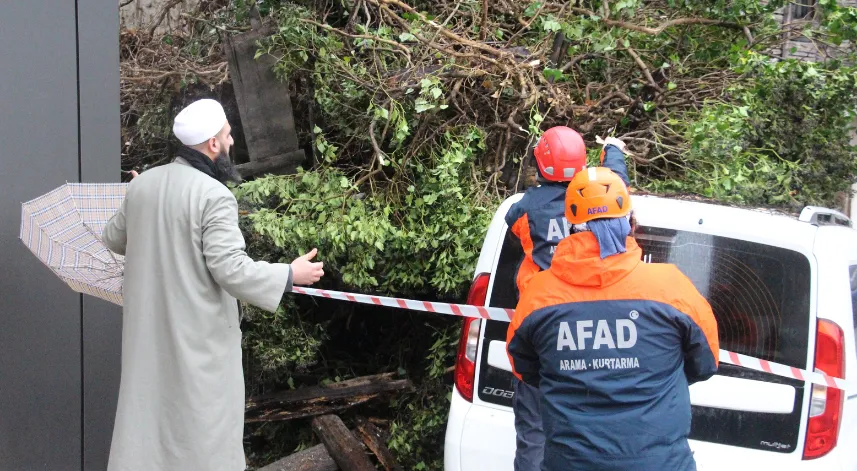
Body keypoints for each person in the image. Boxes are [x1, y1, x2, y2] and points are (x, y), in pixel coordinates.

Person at [102, 98, 325, 471]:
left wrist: (140, 196)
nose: (232, 140)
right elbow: (231, 270)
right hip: (198, 346)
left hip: (148, 339)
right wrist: (289, 274)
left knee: (150, 436)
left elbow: (113, 238)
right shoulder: (214, 195)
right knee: (202, 440)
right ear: (212, 145)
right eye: (227, 134)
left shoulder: (144, 186)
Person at [506, 167, 719, 471]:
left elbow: (524, 368)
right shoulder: (671, 288)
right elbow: (706, 360)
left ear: (569, 227)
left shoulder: (538, 295)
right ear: (631, 223)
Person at [503, 126, 630, 471]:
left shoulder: (525, 209)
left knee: (534, 430)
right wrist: (612, 151)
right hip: (599, 328)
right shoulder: (603, 200)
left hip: (542, 327)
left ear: (540, 163)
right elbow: (617, 181)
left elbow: (512, 223)